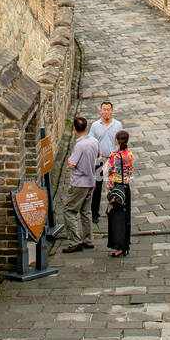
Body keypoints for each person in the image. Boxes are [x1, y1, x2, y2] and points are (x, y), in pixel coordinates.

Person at [61, 116, 99, 253]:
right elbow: (98, 156)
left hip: (79, 182)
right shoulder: (94, 141)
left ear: (74, 129)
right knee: (86, 211)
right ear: (87, 127)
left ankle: (75, 241)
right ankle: (88, 239)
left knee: (69, 210)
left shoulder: (79, 145)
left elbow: (71, 164)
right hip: (91, 180)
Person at [88, 102, 122, 225]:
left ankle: (114, 209)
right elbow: (91, 141)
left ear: (112, 111)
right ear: (100, 111)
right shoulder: (95, 125)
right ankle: (95, 212)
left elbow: (121, 141)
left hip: (113, 160)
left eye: (108, 110)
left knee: (114, 185)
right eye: (104, 109)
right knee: (97, 186)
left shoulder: (118, 125)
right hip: (100, 160)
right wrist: (97, 154)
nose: (106, 112)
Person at [105, 130, 133, 257]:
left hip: (117, 188)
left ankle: (119, 246)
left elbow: (107, 170)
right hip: (126, 188)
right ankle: (126, 244)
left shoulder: (114, 156)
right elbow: (130, 170)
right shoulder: (129, 154)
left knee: (116, 218)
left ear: (117, 140)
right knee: (126, 216)